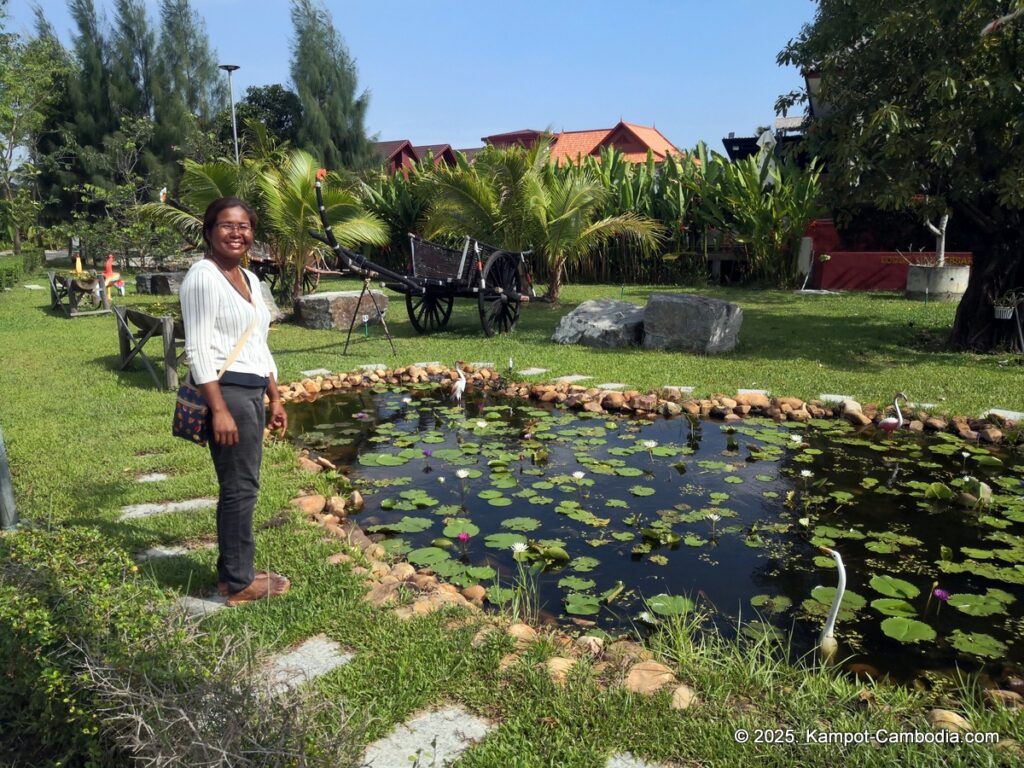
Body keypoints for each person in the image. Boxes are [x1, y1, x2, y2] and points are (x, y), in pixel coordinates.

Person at [180, 197, 290, 606]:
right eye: (227, 225)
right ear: (209, 231)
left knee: (243, 486)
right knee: (239, 488)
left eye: (244, 226)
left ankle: (234, 573)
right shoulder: (203, 277)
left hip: (252, 391)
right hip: (226, 393)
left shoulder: (251, 279)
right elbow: (198, 349)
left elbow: (258, 343)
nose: (237, 233)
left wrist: (274, 395)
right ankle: (238, 582)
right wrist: (220, 409)